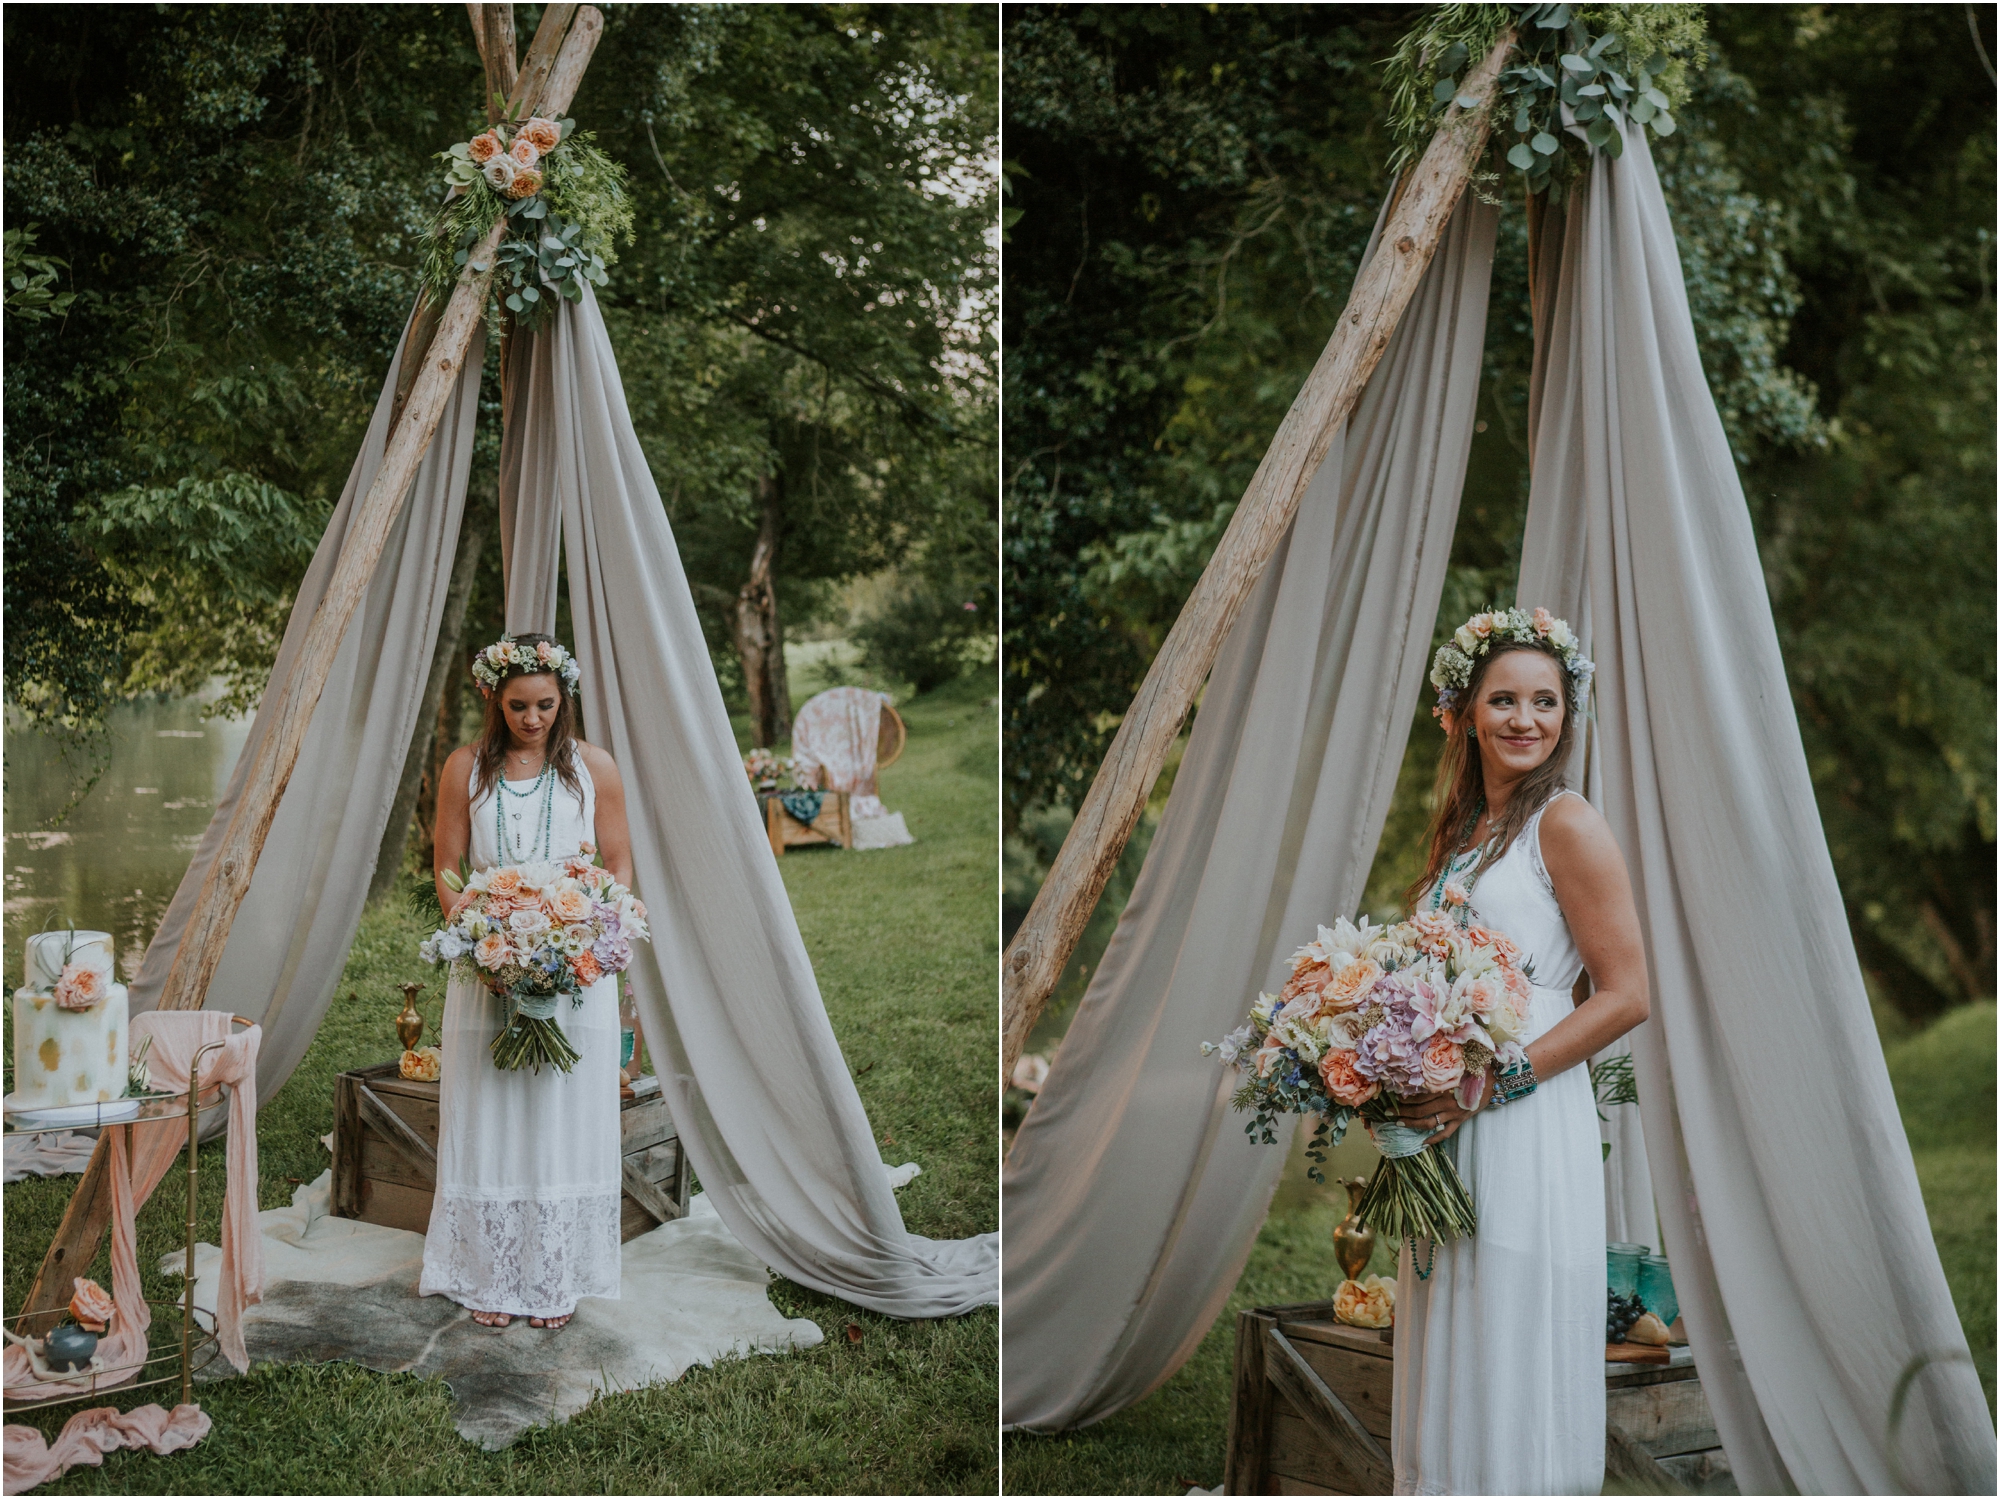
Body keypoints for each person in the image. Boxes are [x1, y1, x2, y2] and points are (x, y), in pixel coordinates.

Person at [1387, 608, 1650, 1496]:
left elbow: (1626, 994)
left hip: (1524, 1112)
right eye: (1503, 700)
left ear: (1567, 715)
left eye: (1545, 701)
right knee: (1458, 1318)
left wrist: (1492, 1085)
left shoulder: (1566, 823)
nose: (1525, 719)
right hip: (1449, 1118)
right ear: (1461, 712)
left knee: (1512, 1324)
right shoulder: (1467, 834)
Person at [418, 633, 634, 1331]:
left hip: (575, 971)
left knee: (561, 1122)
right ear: (493, 698)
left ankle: (557, 1276)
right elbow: (448, 865)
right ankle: (491, 1273)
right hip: (489, 973)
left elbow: (619, 863)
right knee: (492, 1117)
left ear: (562, 697)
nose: (533, 718)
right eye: (518, 705)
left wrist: (584, 940)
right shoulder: (465, 769)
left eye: (545, 704)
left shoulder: (591, 766)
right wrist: (485, 943)